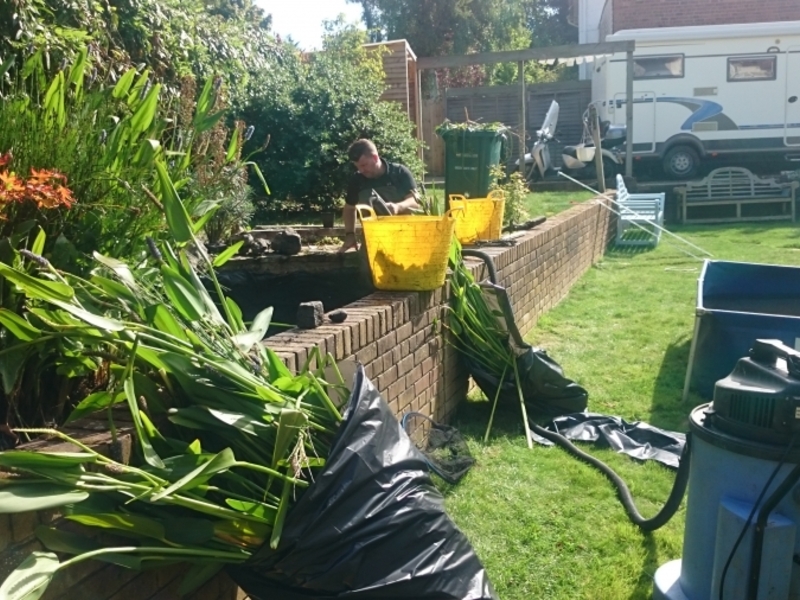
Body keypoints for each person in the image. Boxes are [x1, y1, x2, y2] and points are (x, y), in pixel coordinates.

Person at [339, 139, 420, 252]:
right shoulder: (357, 180)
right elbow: (349, 208)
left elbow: (415, 202)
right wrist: (350, 235)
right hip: (372, 240)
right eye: (357, 167)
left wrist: (398, 207)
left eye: (364, 165)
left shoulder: (399, 173)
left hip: (404, 237)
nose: (361, 170)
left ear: (375, 158)